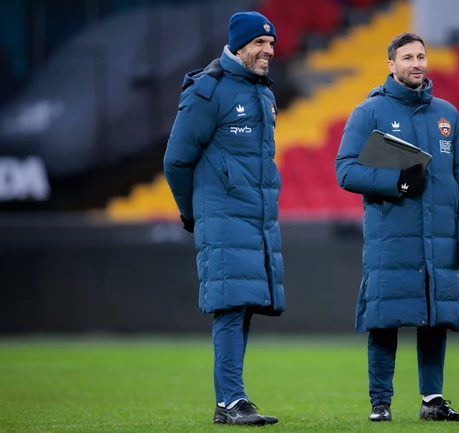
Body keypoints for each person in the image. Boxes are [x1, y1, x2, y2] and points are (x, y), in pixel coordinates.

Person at [335, 32, 459, 423]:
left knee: (436, 317)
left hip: (439, 238)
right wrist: (397, 182)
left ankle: (433, 400)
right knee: (383, 320)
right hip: (391, 239)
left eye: (421, 56)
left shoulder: (448, 115)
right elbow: (345, 171)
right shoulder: (369, 111)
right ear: (391, 65)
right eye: (407, 58)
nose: (416, 64)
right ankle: (380, 403)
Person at [163, 11, 285, 427]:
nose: (268, 50)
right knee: (231, 307)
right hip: (223, 217)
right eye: (259, 43)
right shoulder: (208, 90)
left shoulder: (264, 93)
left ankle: (227, 403)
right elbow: (176, 161)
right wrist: (192, 213)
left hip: (258, 220)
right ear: (239, 45)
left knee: (244, 306)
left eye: (271, 43)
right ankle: (233, 400)